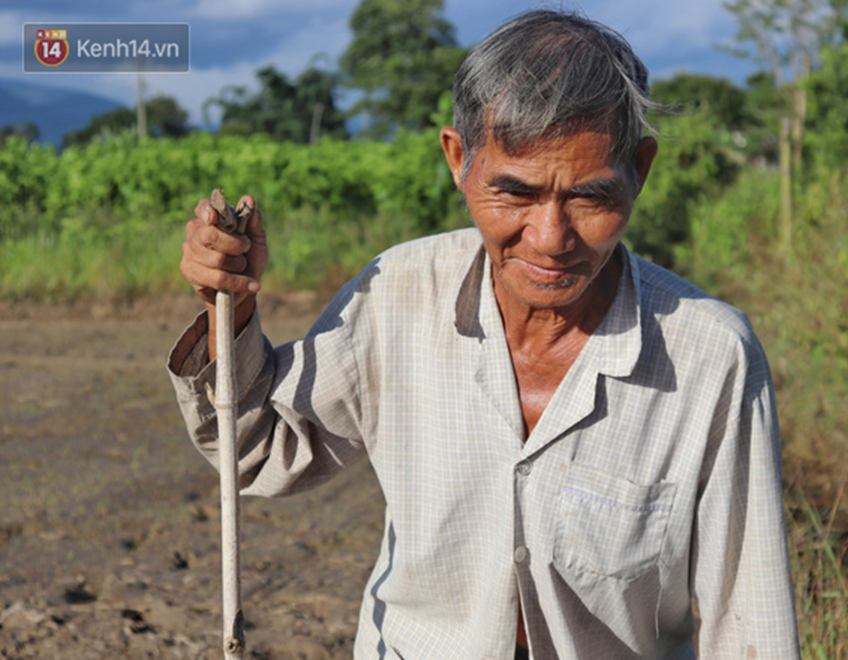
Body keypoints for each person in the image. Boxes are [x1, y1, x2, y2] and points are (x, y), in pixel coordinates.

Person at [169, 9, 800, 659]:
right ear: (457, 159)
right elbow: (260, 449)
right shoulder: (397, 296)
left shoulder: (708, 356)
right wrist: (232, 311)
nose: (550, 239)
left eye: (588, 196)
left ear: (639, 169)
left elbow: (749, 618)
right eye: (515, 194)